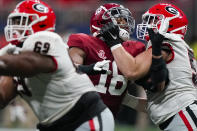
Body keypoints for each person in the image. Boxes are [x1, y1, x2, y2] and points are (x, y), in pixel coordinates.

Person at [0, 0, 115, 131]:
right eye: (14, 22)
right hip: (51, 125)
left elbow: (30, 64)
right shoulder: (13, 52)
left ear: (41, 23)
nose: (14, 26)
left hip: (84, 118)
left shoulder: (48, 39)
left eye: (20, 21)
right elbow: (3, 96)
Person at [100, 3, 197, 131]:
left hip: (184, 116)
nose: (148, 24)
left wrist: (114, 43)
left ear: (169, 24)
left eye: (154, 20)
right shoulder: (176, 47)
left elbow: (132, 70)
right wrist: (126, 99)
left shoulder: (167, 41)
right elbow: (157, 104)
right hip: (182, 115)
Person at [67, 3, 146, 117]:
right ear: (102, 23)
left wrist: (129, 100)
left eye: (127, 21)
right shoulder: (84, 41)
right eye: (121, 21)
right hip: (77, 113)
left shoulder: (134, 48)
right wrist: (87, 69)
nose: (127, 26)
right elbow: (68, 71)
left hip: (108, 116)